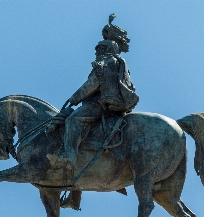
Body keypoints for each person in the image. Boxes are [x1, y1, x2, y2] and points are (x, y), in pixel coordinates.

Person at [49, 15, 138, 173]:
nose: (97, 52)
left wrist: (74, 98)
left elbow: (92, 85)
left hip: (99, 105)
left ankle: (70, 155)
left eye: (100, 49)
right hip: (112, 106)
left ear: (107, 49)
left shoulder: (105, 63)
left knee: (72, 120)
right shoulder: (117, 63)